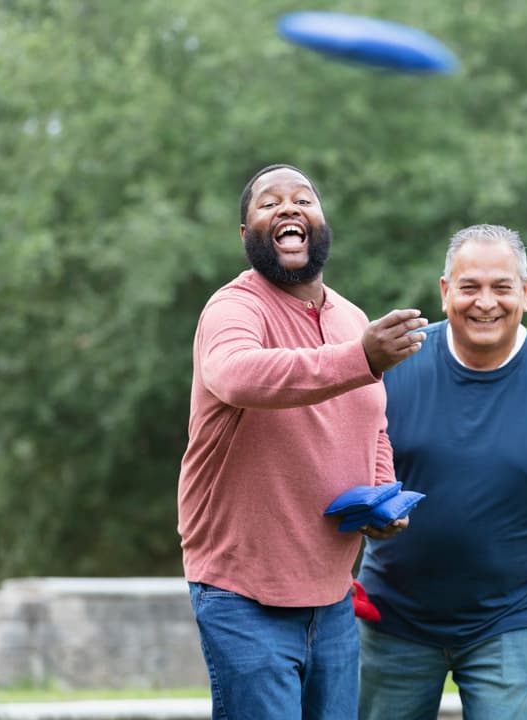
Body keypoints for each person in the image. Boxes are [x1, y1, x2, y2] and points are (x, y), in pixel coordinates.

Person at [177, 164, 428, 720]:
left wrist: (382, 493)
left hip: (334, 597)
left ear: (321, 224)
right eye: (269, 204)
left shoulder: (351, 318)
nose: (288, 208)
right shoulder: (234, 309)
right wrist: (361, 357)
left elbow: (374, 422)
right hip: (244, 595)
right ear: (246, 236)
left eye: (302, 199)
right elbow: (239, 375)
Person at [357, 224, 527, 720]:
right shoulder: (391, 370)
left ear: (525, 293)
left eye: (501, 287)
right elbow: (340, 466)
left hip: (510, 619)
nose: (485, 302)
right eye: (470, 287)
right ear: (445, 293)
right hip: (392, 616)